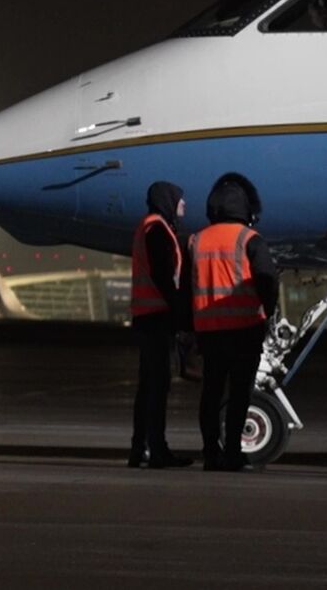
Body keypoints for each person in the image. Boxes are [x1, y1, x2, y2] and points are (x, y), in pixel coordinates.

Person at [189, 172, 279, 471]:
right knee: (239, 395)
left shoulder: (196, 240)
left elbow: (184, 286)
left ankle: (210, 454)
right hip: (245, 331)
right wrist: (268, 313)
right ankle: (232, 454)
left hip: (209, 332)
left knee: (210, 395)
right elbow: (268, 280)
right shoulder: (250, 239)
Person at [127, 181, 193, 469]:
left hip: (147, 316)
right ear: (168, 201)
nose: (184, 205)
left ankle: (140, 449)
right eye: (180, 200)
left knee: (148, 388)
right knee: (156, 387)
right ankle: (157, 450)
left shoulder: (150, 226)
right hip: (155, 317)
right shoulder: (157, 230)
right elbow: (164, 277)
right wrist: (181, 315)